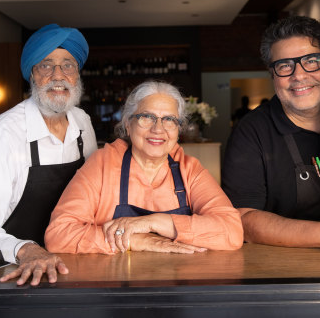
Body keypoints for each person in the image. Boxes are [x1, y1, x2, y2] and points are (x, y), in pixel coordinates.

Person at [222, 15, 320, 254]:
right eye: (285, 65)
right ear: (273, 74)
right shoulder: (252, 131)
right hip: (282, 270)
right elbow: (243, 219)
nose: (298, 75)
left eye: (311, 60)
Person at [0, 24, 97, 285]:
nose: (58, 75)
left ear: (77, 75)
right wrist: (26, 250)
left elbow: (94, 197)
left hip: (75, 265)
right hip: (17, 273)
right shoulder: (3, 133)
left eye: (68, 65)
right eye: (46, 65)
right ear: (32, 75)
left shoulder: (82, 123)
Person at [45, 81, 243, 254]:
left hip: (178, 287)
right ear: (128, 124)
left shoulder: (189, 169)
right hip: (115, 288)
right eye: (146, 117)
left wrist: (152, 222)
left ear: (178, 130)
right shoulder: (102, 164)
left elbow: (232, 231)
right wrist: (135, 240)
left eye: (169, 120)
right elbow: (58, 234)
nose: (158, 129)